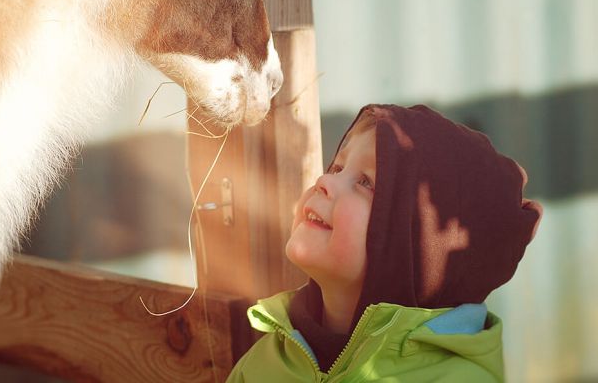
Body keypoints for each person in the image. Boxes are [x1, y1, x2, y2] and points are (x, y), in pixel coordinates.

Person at [226, 104, 543, 382]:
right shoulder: (264, 363)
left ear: (420, 248)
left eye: (365, 182)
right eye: (337, 167)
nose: (324, 181)